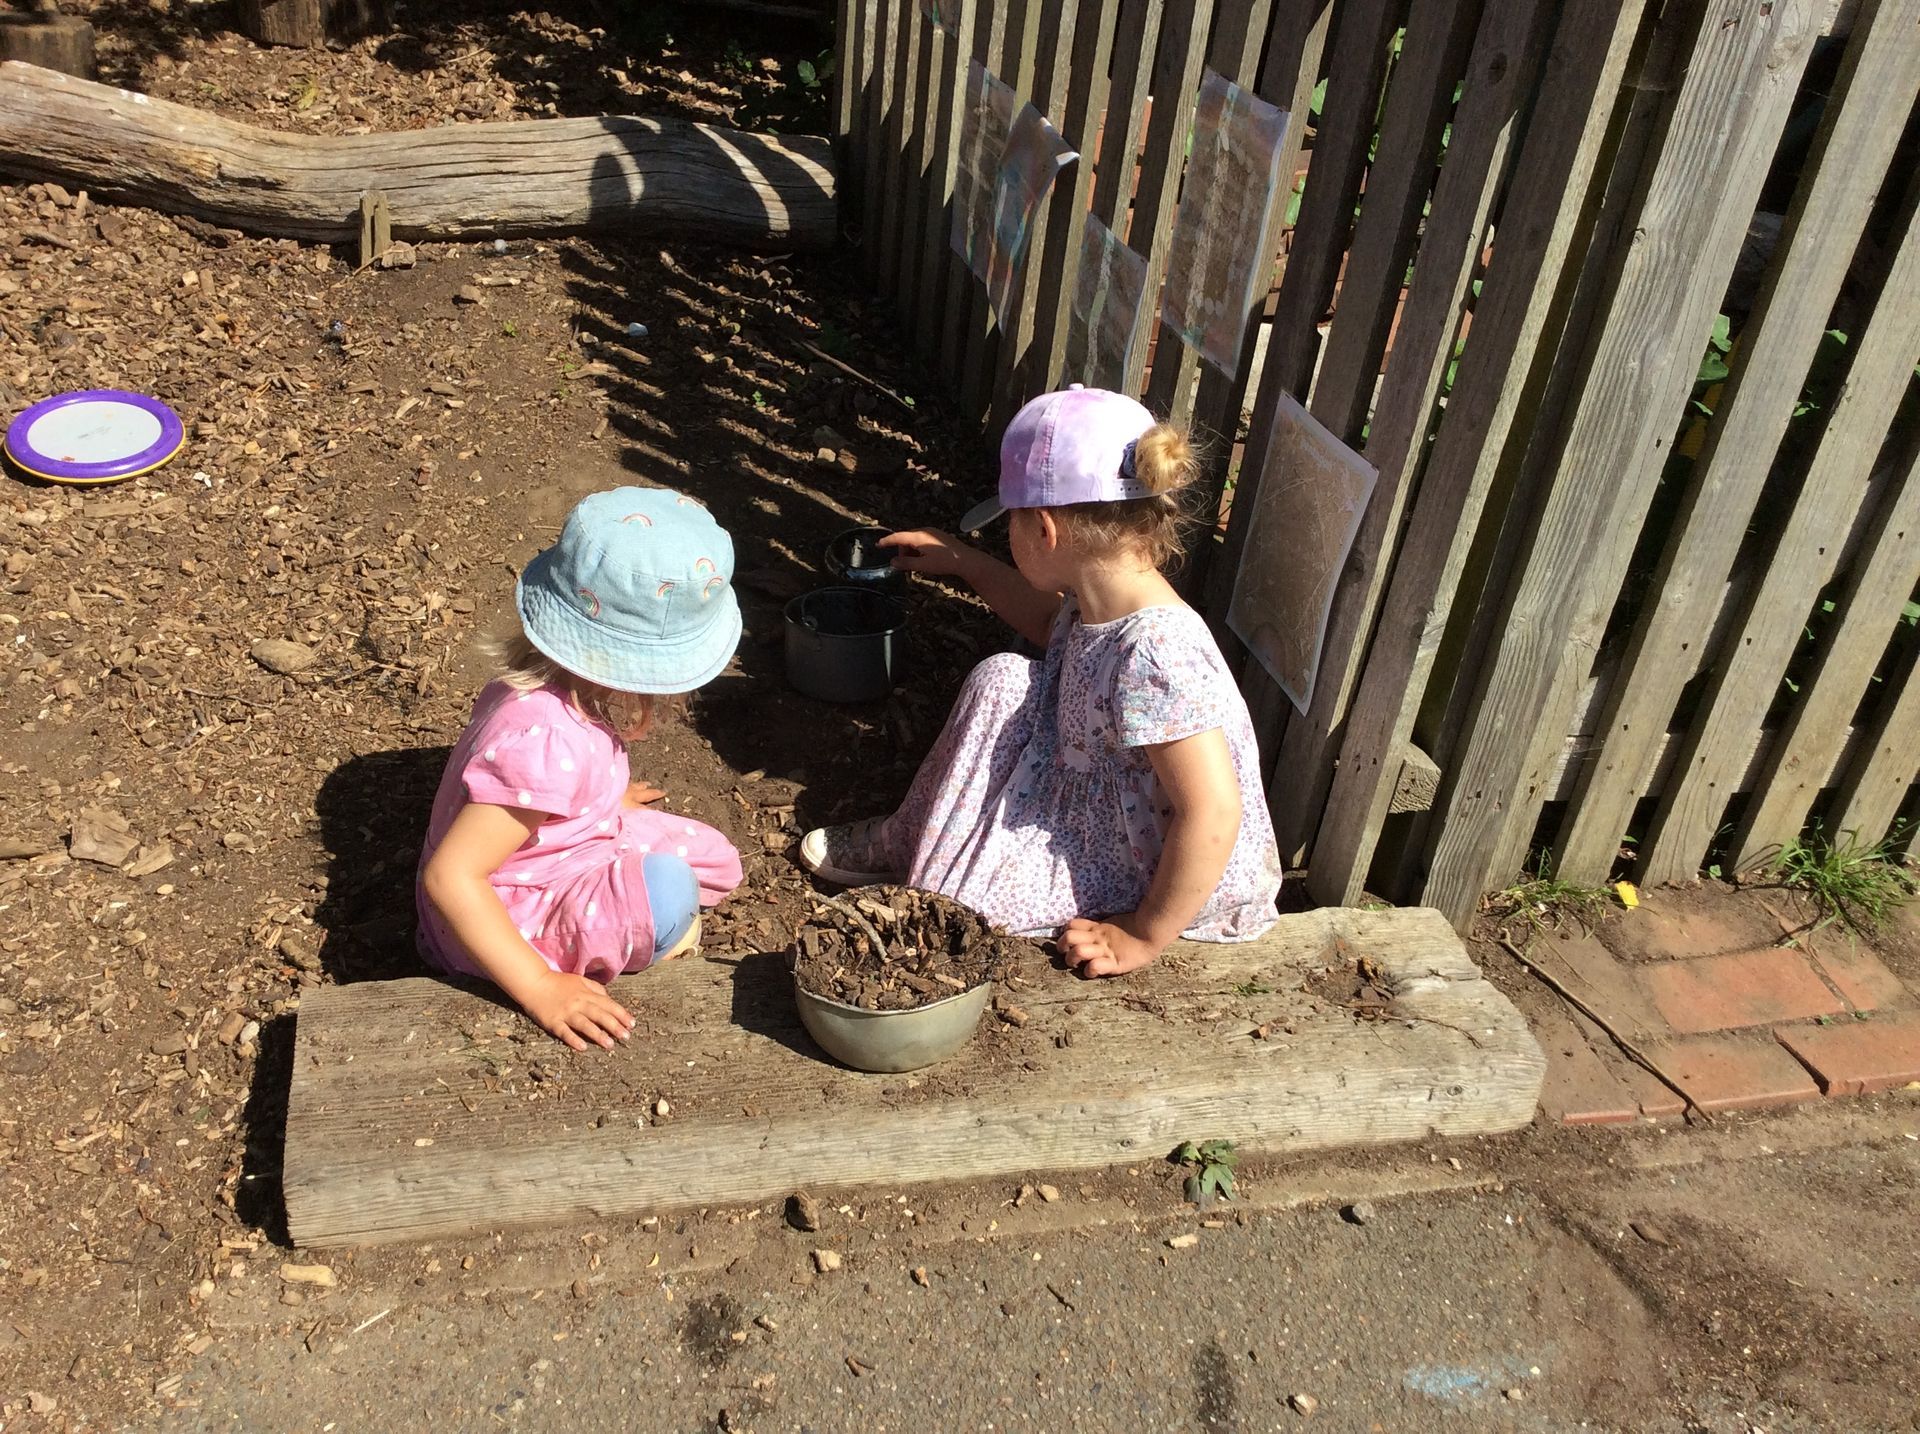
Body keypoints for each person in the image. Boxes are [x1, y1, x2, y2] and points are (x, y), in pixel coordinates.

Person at [799, 386, 1282, 976]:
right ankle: (912, 835)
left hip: (1150, 864)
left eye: (1010, 524)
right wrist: (962, 560)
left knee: (958, 910)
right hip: (1093, 789)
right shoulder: (1101, 592)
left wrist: (1144, 933)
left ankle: (936, 865)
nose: (1007, 536)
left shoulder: (1156, 654)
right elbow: (1043, 622)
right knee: (1001, 677)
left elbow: (1213, 813)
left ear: (1046, 531)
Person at [417, 487, 745, 1050]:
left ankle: (626, 889)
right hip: (505, 909)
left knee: (714, 857)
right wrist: (541, 985)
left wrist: (602, 800)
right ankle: (598, 950)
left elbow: (534, 800)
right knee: (668, 893)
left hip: (560, 846)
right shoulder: (541, 742)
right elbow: (451, 877)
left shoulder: (541, 691)